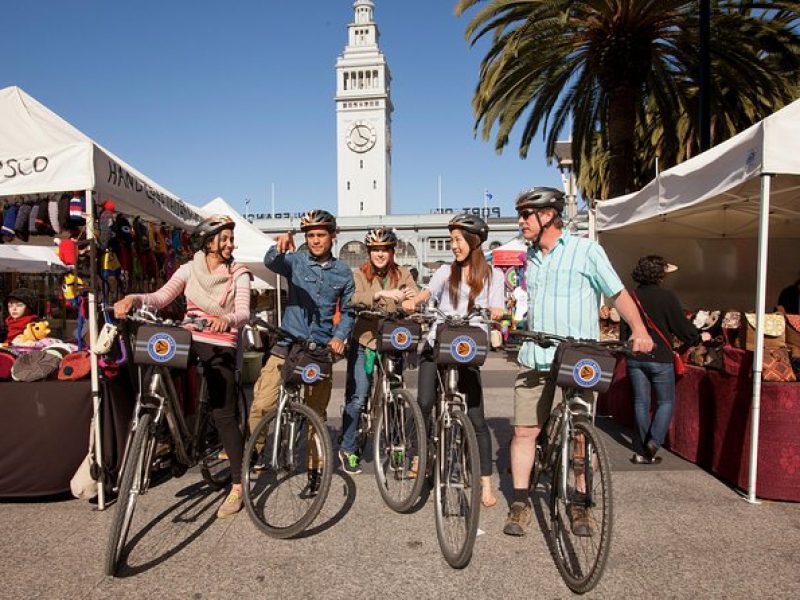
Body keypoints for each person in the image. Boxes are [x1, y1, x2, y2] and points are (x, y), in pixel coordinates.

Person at [504, 187, 654, 537]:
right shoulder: (529, 257)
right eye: (521, 214)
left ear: (549, 216)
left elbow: (616, 293)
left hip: (578, 358)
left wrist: (639, 329)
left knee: (580, 438)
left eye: (528, 214)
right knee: (525, 432)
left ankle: (580, 503)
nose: (521, 221)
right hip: (535, 356)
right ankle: (521, 502)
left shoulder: (587, 251)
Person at [114, 215, 252, 519]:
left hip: (221, 342)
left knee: (224, 414)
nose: (230, 244)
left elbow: (243, 311)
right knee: (159, 367)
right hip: (190, 337)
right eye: (224, 238)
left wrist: (227, 319)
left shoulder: (238, 273)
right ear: (208, 241)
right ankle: (170, 432)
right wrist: (133, 299)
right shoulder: (189, 269)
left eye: (231, 238)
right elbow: (160, 297)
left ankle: (238, 485)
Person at [402, 214, 504, 509]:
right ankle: (420, 454)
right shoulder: (446, 271)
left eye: (458, 240)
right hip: (438, 344)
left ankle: (485, 482)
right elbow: (427, 292)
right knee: (423, 402)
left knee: (477, 418)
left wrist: (496, 311)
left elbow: (497, 306)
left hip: (467, 349)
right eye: (452, 240)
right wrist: (415, 301)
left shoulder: (492, 275)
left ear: (475, 241)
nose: (453, 245)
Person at [249, 209, 355, 486]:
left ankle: (314, 470)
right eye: (310, 236)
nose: (316, 241)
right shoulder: (295, 261)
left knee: (315, 415)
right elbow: (270, 261)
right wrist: (281, 243)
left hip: (320, 349)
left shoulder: (343, 271)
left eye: (321, 235)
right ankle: (256, 451)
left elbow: (348, 311)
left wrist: (340, 336)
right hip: (287, 343)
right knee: (261, 404)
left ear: (333, 236)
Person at [341, 227, 417, 474]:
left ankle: (396, 446)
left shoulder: (403, 273)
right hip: (365, 341)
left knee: (395, 397)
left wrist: (411, 301)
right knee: (358, 397)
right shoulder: (359, 274)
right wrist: (382, 293)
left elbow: (412, 297)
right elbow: (354, 299)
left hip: (393, 343)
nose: (380, 254)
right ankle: (348, 448)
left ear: (392, 251)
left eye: (384, 249)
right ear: (369, 252)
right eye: (375, 250)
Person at [621, 256, 711, 464]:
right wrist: (698, 337)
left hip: (636, 355)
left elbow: (625, 330)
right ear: (659, 275)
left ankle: (645, 448)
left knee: (641, 402)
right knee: (665, 401)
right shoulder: (667, 296)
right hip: (660, 357)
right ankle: (653, 444)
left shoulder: (631, 296)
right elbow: (680, 326)